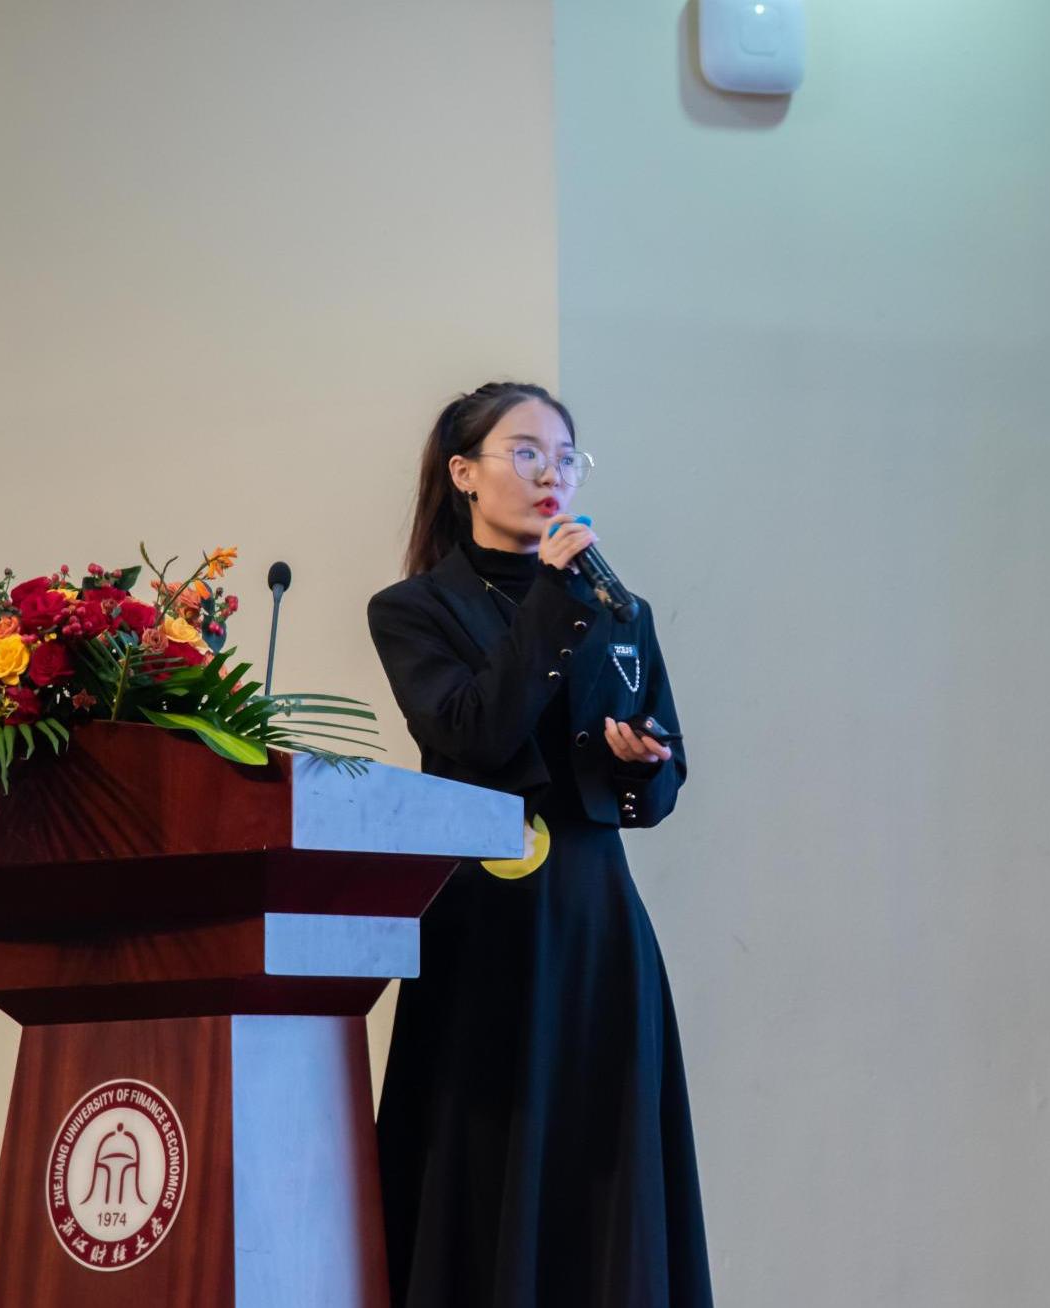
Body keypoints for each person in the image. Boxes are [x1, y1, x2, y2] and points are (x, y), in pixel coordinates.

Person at [366, 381, 714, 1307]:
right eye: (525, 453)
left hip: (598, 922)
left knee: (602, 1160)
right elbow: (474, 734)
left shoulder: (622, 609)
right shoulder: (414, 609)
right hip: (484, 919)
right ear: (464, 474)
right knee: (486, 1157)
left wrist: (642, 763)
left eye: (565, 458)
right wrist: (557, 600)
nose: (549, 474)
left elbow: (660, 788)